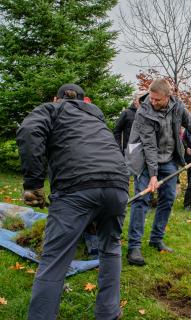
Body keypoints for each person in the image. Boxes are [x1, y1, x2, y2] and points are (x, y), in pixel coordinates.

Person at [16, 84, 129, 320]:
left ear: (55, 99)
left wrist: (33, 184)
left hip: (75, 187)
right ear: (85, 100)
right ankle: (108, 313)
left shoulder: (52, 109)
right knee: (110, 248)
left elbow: (28, 131)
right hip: (117, 184)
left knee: (54, 258)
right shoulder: (97, 118)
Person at [125, 78, 191, 266]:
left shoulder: (178, 107)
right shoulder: (143, 112)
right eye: (152, 99)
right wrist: (153, 175)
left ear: (168, 96)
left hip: (169, 159)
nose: (153, 102)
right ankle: (134, 246)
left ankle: (156, 239)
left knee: (168, 198)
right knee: (141, 200)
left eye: (157, 99)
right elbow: (149, 146)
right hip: (145, 160)